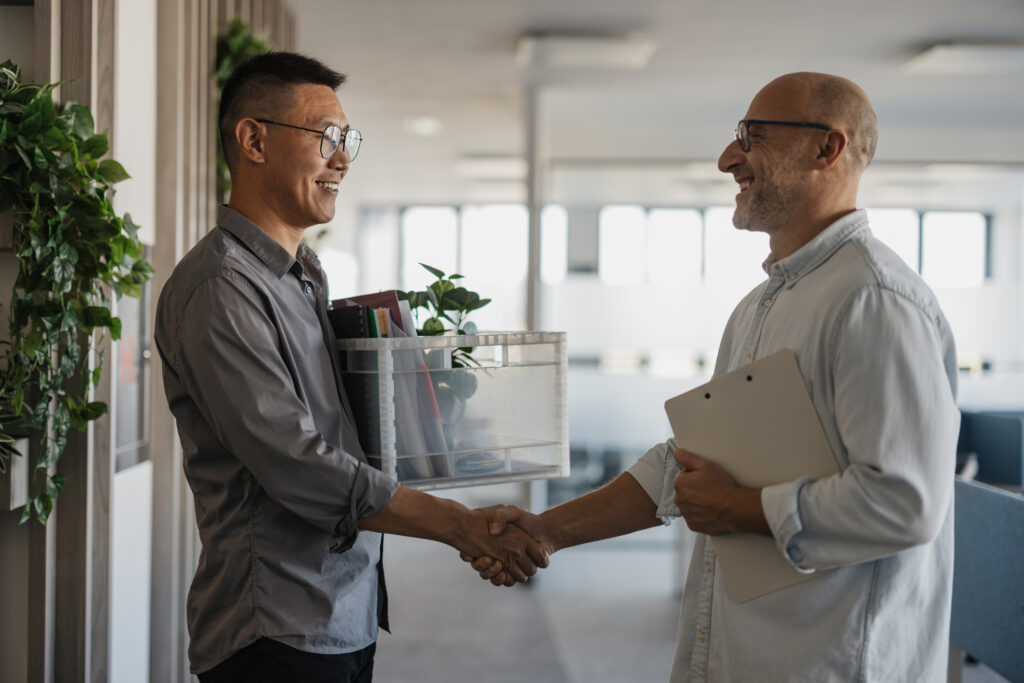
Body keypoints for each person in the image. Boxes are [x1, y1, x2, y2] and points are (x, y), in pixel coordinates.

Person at [467, 72, 960, 682]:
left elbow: (905, 504)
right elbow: (689, 466)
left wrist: (744, 508)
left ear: (826, 149)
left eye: (751, 136)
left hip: (830, 663)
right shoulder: (761, 305)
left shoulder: (875, 300)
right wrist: (546, 531)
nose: (729, 158)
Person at [154, 51, 548, 683]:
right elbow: (296, 462)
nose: (342, 159)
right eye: (327, 138)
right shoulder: (219, 287)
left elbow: (338, 431)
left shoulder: (302, 274)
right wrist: (459, 527)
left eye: (348, 141)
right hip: (275, 626)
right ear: (253, 140)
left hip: (342, 604)